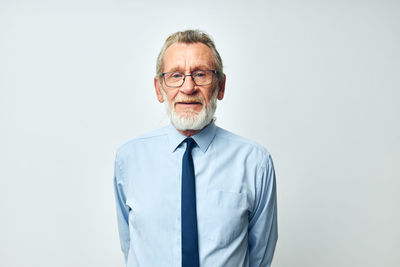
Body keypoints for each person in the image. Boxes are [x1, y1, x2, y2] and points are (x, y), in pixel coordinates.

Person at [114, 29, 278, 267]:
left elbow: (260, 257)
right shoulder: (129, 159)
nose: (188, 87)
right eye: (175, 75)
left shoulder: (255, 162)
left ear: (220, 86)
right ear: (159, 89)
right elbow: (130, 247)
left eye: (201, 74)